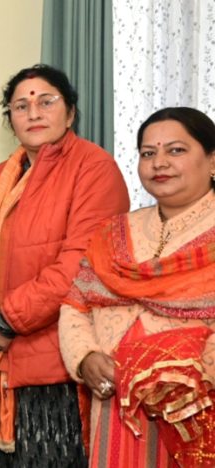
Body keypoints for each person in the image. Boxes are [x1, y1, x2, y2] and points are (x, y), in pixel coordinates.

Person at [0, 64, 130, 467]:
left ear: (69, 113)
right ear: (10, 120)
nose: (33, 113)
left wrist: (4, 322)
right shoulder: (3, 176)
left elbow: (78, 268)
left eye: (46, 102)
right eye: (20, 105)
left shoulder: (94, 168)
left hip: (57, 367)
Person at [59, 107, 215, 467]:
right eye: (148, 153)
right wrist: (85, 358)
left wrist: (184, 376)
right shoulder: (114, 232)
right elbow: (75, 302)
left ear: (211, 161)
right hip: (115, 402)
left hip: (194, 408)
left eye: (176, 150)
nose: (159, 162)